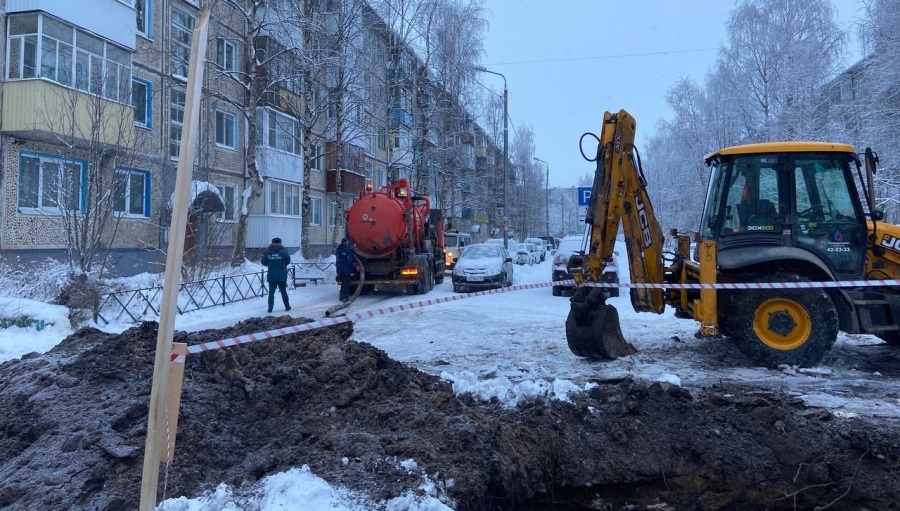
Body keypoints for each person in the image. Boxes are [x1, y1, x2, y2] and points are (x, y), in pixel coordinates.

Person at [261, 237, 291, 313]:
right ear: (280, 243)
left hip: (272, 276)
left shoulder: (268, 252)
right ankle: (287, 307)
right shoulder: (284, 252)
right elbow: (287, 261)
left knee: (271, 293)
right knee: (283, 292)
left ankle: (270, 309)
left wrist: (271, 262)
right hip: (281, 275)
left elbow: (263, 262)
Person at [335, 237, 356, 302]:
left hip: (340, 269)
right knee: (346, 284)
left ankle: (341, 297)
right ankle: (346, 298)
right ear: (346, 242)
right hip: (346, 270)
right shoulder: (347, 251)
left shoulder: (339, 249)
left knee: (343, 284)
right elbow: (349, 261)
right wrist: (354, 266)